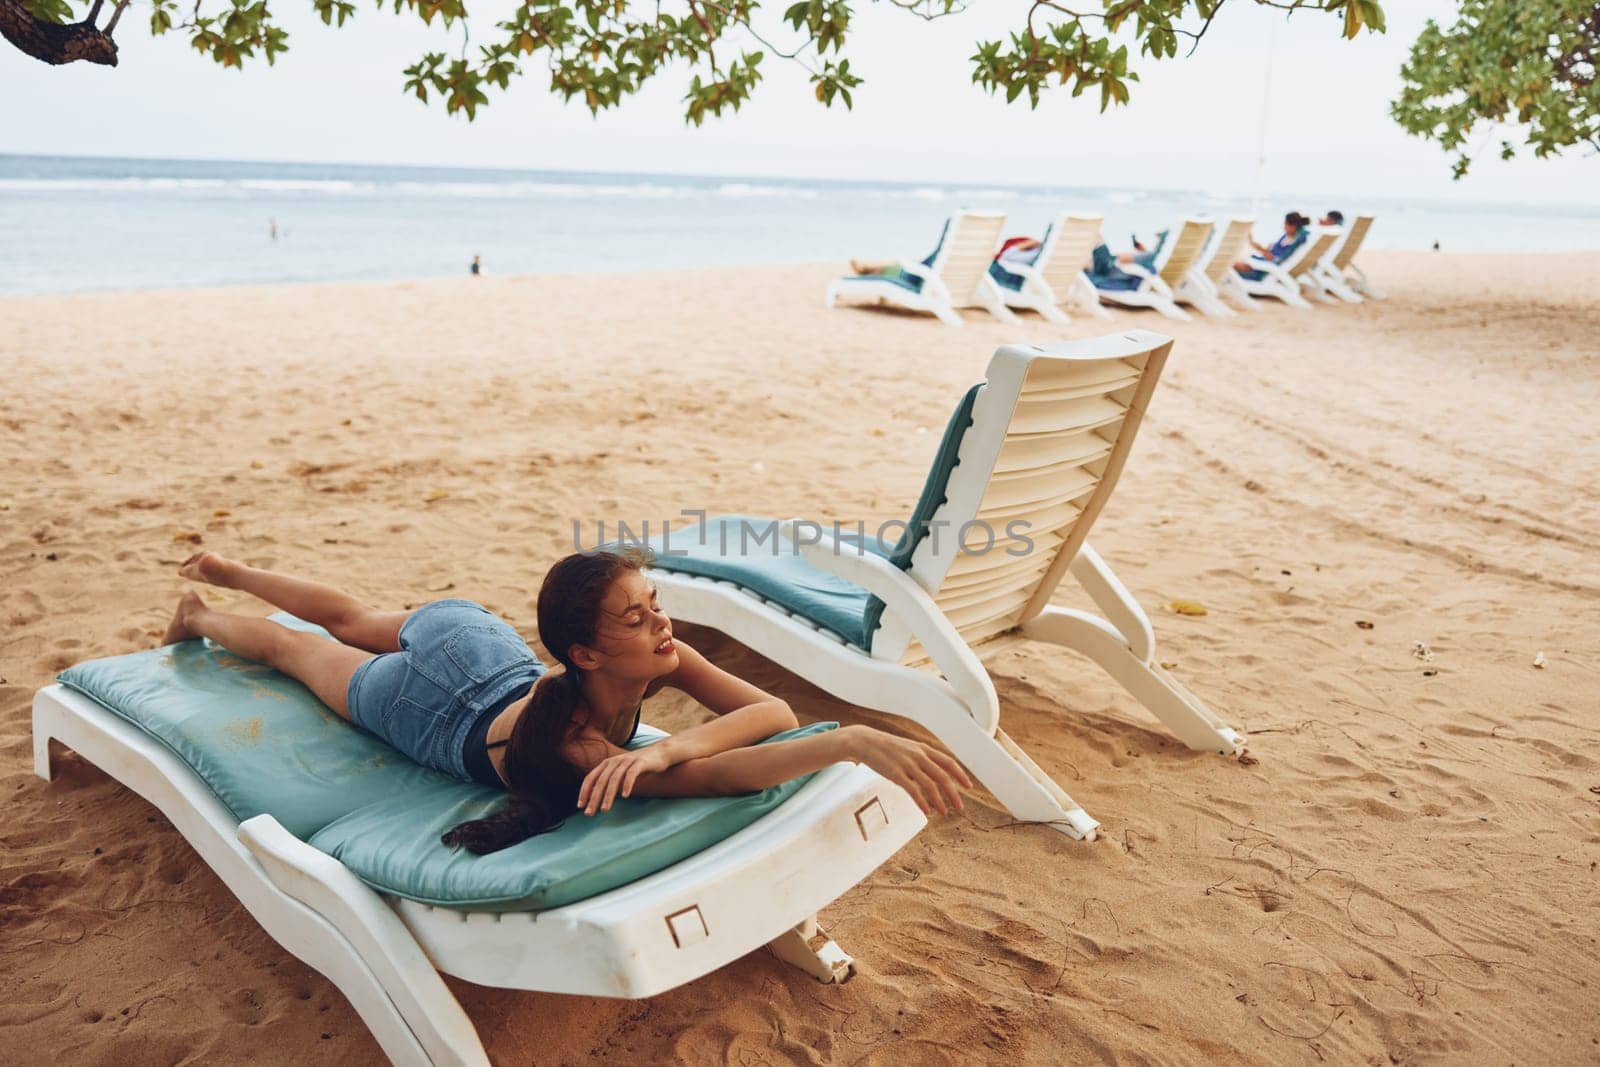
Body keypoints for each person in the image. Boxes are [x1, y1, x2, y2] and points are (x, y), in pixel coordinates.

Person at [159, 547, 972, 854]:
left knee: (342, 622)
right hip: (432, 705)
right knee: (306, 648)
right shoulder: (579, 745)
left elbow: (775, 716)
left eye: (656, 602)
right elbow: (736, 774)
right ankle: (207, 602)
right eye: (638, 615)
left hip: (479, 646)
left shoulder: (660, 656)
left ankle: (222, 580)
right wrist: (850, 741)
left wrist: (671, 744)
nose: (662, 621)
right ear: (584, 652)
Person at [1235, 211, 1311, 280]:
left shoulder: (1293, 242)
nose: (1284, 227)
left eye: (1285, 224)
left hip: (1262, 268)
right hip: (1264, 263)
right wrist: (1257, 245)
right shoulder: (1289, 237)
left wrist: (1261, 249)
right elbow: (1272, 254)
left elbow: (1273, 258)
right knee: (1236, 261)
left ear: (1293, 227)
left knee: (1232, 265)